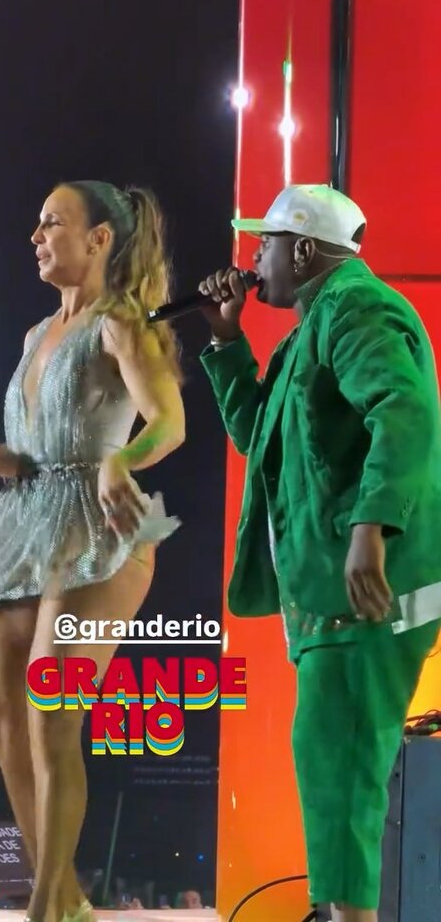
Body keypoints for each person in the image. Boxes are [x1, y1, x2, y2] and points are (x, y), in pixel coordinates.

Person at [0, 181, 185, 922]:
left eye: (53, 222)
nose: (36, 235)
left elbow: (168, 421)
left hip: (100, 529)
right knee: (1, 719)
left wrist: (124, 461)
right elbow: (32, 459)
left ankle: (47, 908)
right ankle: (67, 900)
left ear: (99, 239)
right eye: (37, 223)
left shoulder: (120, 323)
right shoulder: (36, 336)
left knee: (52, 711)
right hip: (26, 529)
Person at [198, 184, 441, 922]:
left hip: (367, 595)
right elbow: (259, 440)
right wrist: (225, 340)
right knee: (328, 762)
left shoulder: (356, 308)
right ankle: (338, 913)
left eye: (265, 243)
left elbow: (403, 409)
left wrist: (372, 526)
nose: (254, 260)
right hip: (332, 602)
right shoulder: (308, 331)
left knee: (344, 764)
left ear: (303, 250)